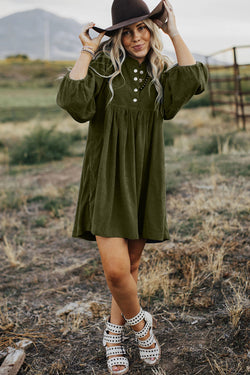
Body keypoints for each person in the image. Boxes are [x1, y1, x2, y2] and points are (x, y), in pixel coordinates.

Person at [56, 0, 208, 373]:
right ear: (117, 37)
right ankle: (140, 326)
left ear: (151, 31)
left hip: (143, 177)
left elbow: (195, 80)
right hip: (107, 177)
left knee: (132, 265)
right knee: (115, 271)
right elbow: (74, 102)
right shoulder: (105, 68)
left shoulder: (161, 72)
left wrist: (173, 31)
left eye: (142, 28)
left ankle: (113, 335)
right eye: (127, 31)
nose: (137, 37)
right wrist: (88, 50)